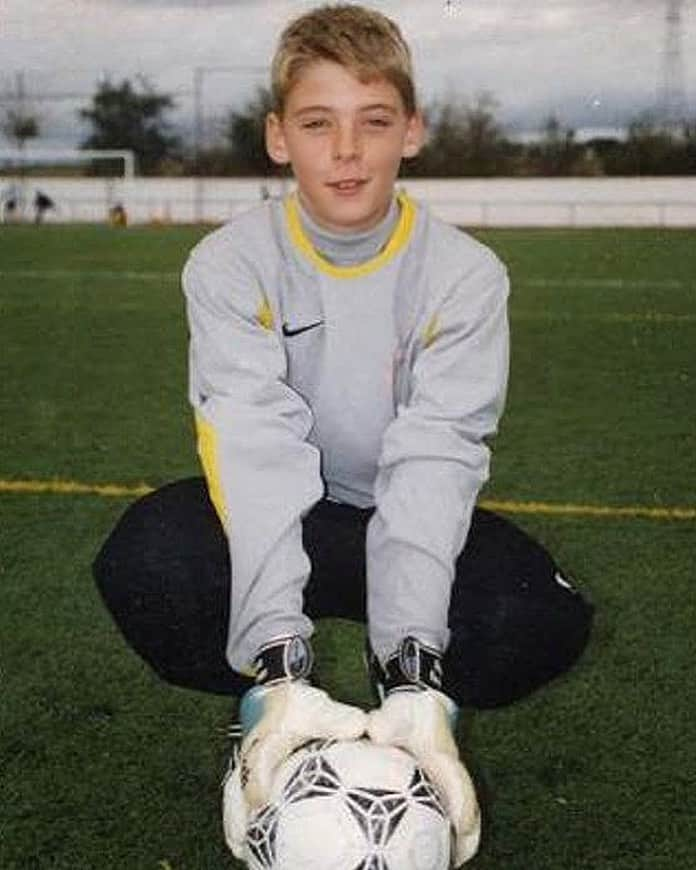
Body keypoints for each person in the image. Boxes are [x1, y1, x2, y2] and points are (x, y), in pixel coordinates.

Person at [93, 4, 593, 866]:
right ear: (279, 138)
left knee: (541, 620)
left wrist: (413, 670)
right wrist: (279, 666)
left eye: (374, 122)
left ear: (414, 131)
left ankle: (400, 716)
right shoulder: (228, 263)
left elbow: (433, 462)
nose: (348, 151)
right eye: (319, 124)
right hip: (279, 516)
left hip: (400, 516)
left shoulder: (467, 276)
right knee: (148, 561)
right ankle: (276, 717)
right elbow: (255, 455)